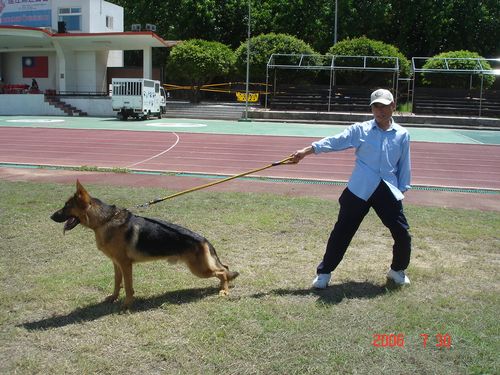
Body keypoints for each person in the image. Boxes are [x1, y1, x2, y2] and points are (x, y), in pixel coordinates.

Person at [290, 88, 412, 288]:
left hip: (387, 190)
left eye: (384, 106)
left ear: (393, 106)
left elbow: (404, 163)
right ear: (372, 109)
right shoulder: (360, 130)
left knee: (402, 233)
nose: (380, 110)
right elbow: (335, 141)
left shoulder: (402, 134)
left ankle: (397, 270)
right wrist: (306, 151)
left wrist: (402, 187)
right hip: (359, 189)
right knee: (342, 232)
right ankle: (324, 273)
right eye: (376, 106)